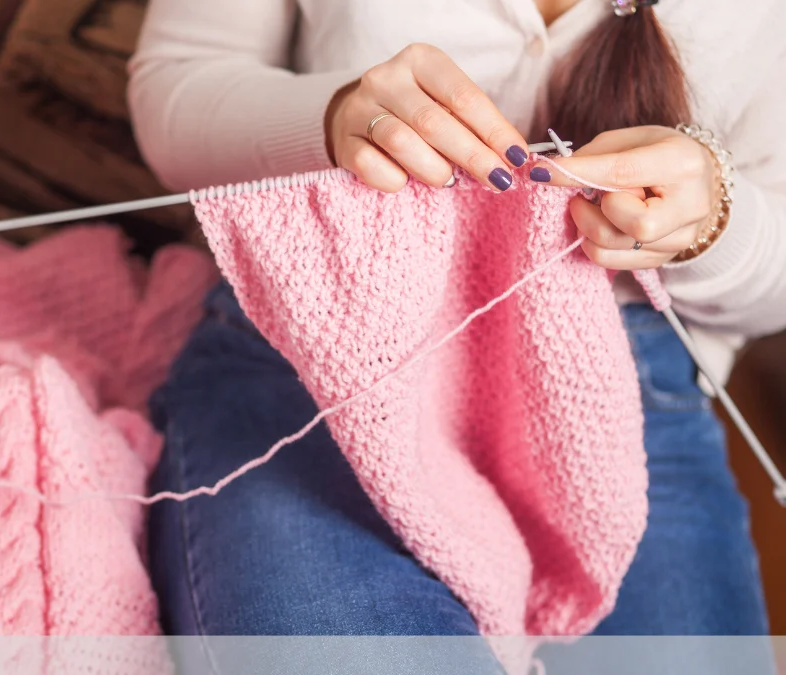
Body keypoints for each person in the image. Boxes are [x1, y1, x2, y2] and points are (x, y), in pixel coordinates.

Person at [127, 0, 784, 672]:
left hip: (629, 391)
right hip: (314, 352)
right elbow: (174, 86)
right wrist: (332, 117)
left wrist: (718, 224)